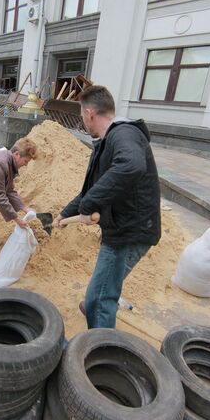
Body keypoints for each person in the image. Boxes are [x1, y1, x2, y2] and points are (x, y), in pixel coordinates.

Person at [53, 85, 161, 329]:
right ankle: (94, 304)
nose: (82, 121)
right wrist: (66, 213)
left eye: (82, 115)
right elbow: (90, 192)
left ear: (90, 113)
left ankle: (101, 349)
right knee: (102, 289)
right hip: (123, 227)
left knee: (101, 296)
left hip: (128, 231)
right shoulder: (106, 141)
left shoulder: (124, 135)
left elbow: (131, 166)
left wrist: (90, 205)